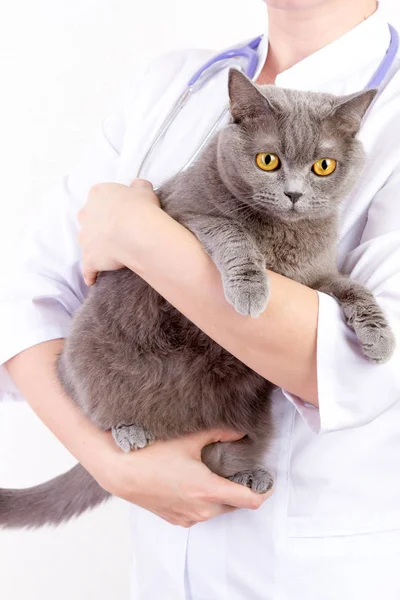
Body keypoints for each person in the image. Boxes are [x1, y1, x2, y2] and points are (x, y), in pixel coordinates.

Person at [2, 0, 400, 597]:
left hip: (314, 573)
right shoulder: (171, 85)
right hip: (162, 568)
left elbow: (361, 368)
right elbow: (25, 300)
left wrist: (141, 234)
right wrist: (111, 461)